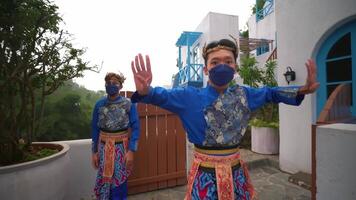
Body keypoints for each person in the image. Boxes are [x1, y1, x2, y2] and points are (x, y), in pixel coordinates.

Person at [130, 39, 319, 200]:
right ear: (205, 69)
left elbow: (270, 93)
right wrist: (147, 91)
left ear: (235, 67)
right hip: (204, 174)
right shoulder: (188, 96)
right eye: (215, 62)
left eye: (228, 61)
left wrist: (301, 89)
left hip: (236, 172)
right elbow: (161, 96)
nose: (222, 66)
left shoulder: (245, 94)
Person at [91, 72, 140, 200]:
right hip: (103, 148)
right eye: (108, 83)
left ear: (120, 86)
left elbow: (135, 128)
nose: (110, 85)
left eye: (114, 83)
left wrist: (131, 151)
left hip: (121, 149)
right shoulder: (99, 105)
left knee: (119, 181)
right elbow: (95, 129)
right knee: (104, 179)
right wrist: (94, 152)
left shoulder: (128, 104)